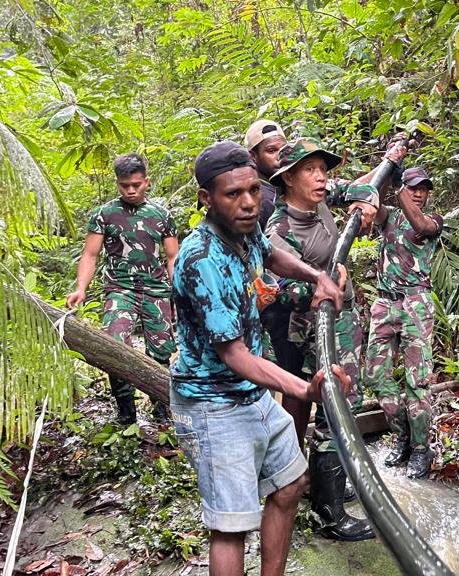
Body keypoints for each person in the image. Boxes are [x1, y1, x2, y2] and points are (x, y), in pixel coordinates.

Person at [170, 140, 352, 576]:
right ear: (206, 199)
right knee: (232, 526)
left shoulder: (245, 229)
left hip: (251, 394)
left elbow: (270, 255)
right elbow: (233, 355)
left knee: (290, 484)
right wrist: (303, 388)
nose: (249, 202)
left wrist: (316, 276)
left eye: (253, 190)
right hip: (213, 403)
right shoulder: (201, 261)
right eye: (233, 194)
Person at [264, 137, 391, 542]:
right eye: (309, 170)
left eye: (323, 168)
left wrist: (365, 203)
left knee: (343, 406)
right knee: (334, 409)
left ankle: (327, 487)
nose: (320, 177)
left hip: (343, 322)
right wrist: (317, 287)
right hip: (312, 332)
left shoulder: (321, 198)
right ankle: (329, 514)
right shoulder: (279, 230)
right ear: (287, 179)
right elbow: (275, 288)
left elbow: (360, 187)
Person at [66, 153, 177, 425]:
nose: (130, 190)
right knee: (115, 347)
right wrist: (81, 288)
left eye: (136, 185)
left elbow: (172, 256)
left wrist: (179, 290)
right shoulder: (105, 214)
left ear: (146, 182)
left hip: (156, 290)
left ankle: (162, 408)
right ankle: (126, 412)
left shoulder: (161, 215)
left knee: (162, 351)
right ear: (117, 183)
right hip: (120, 289)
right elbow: (90, 254)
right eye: (124, 185)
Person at [365, 166, 444, 479]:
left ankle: (422, 448)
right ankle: (403, 434)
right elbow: (374, 200)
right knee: (375, 375)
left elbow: (419, 222)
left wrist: (401, 192)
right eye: (413, 187)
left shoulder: (432, 222)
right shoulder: (390, 219)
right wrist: (388, 168)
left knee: (417, 380)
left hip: (416, 304)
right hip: (385, 303)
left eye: (424, 188)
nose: (420, 193)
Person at [242, 119, 287, 229]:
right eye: (271, 151)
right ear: (253, 156)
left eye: (283, 149)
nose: (279, 156)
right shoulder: (259, 199)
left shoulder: (287, 182)